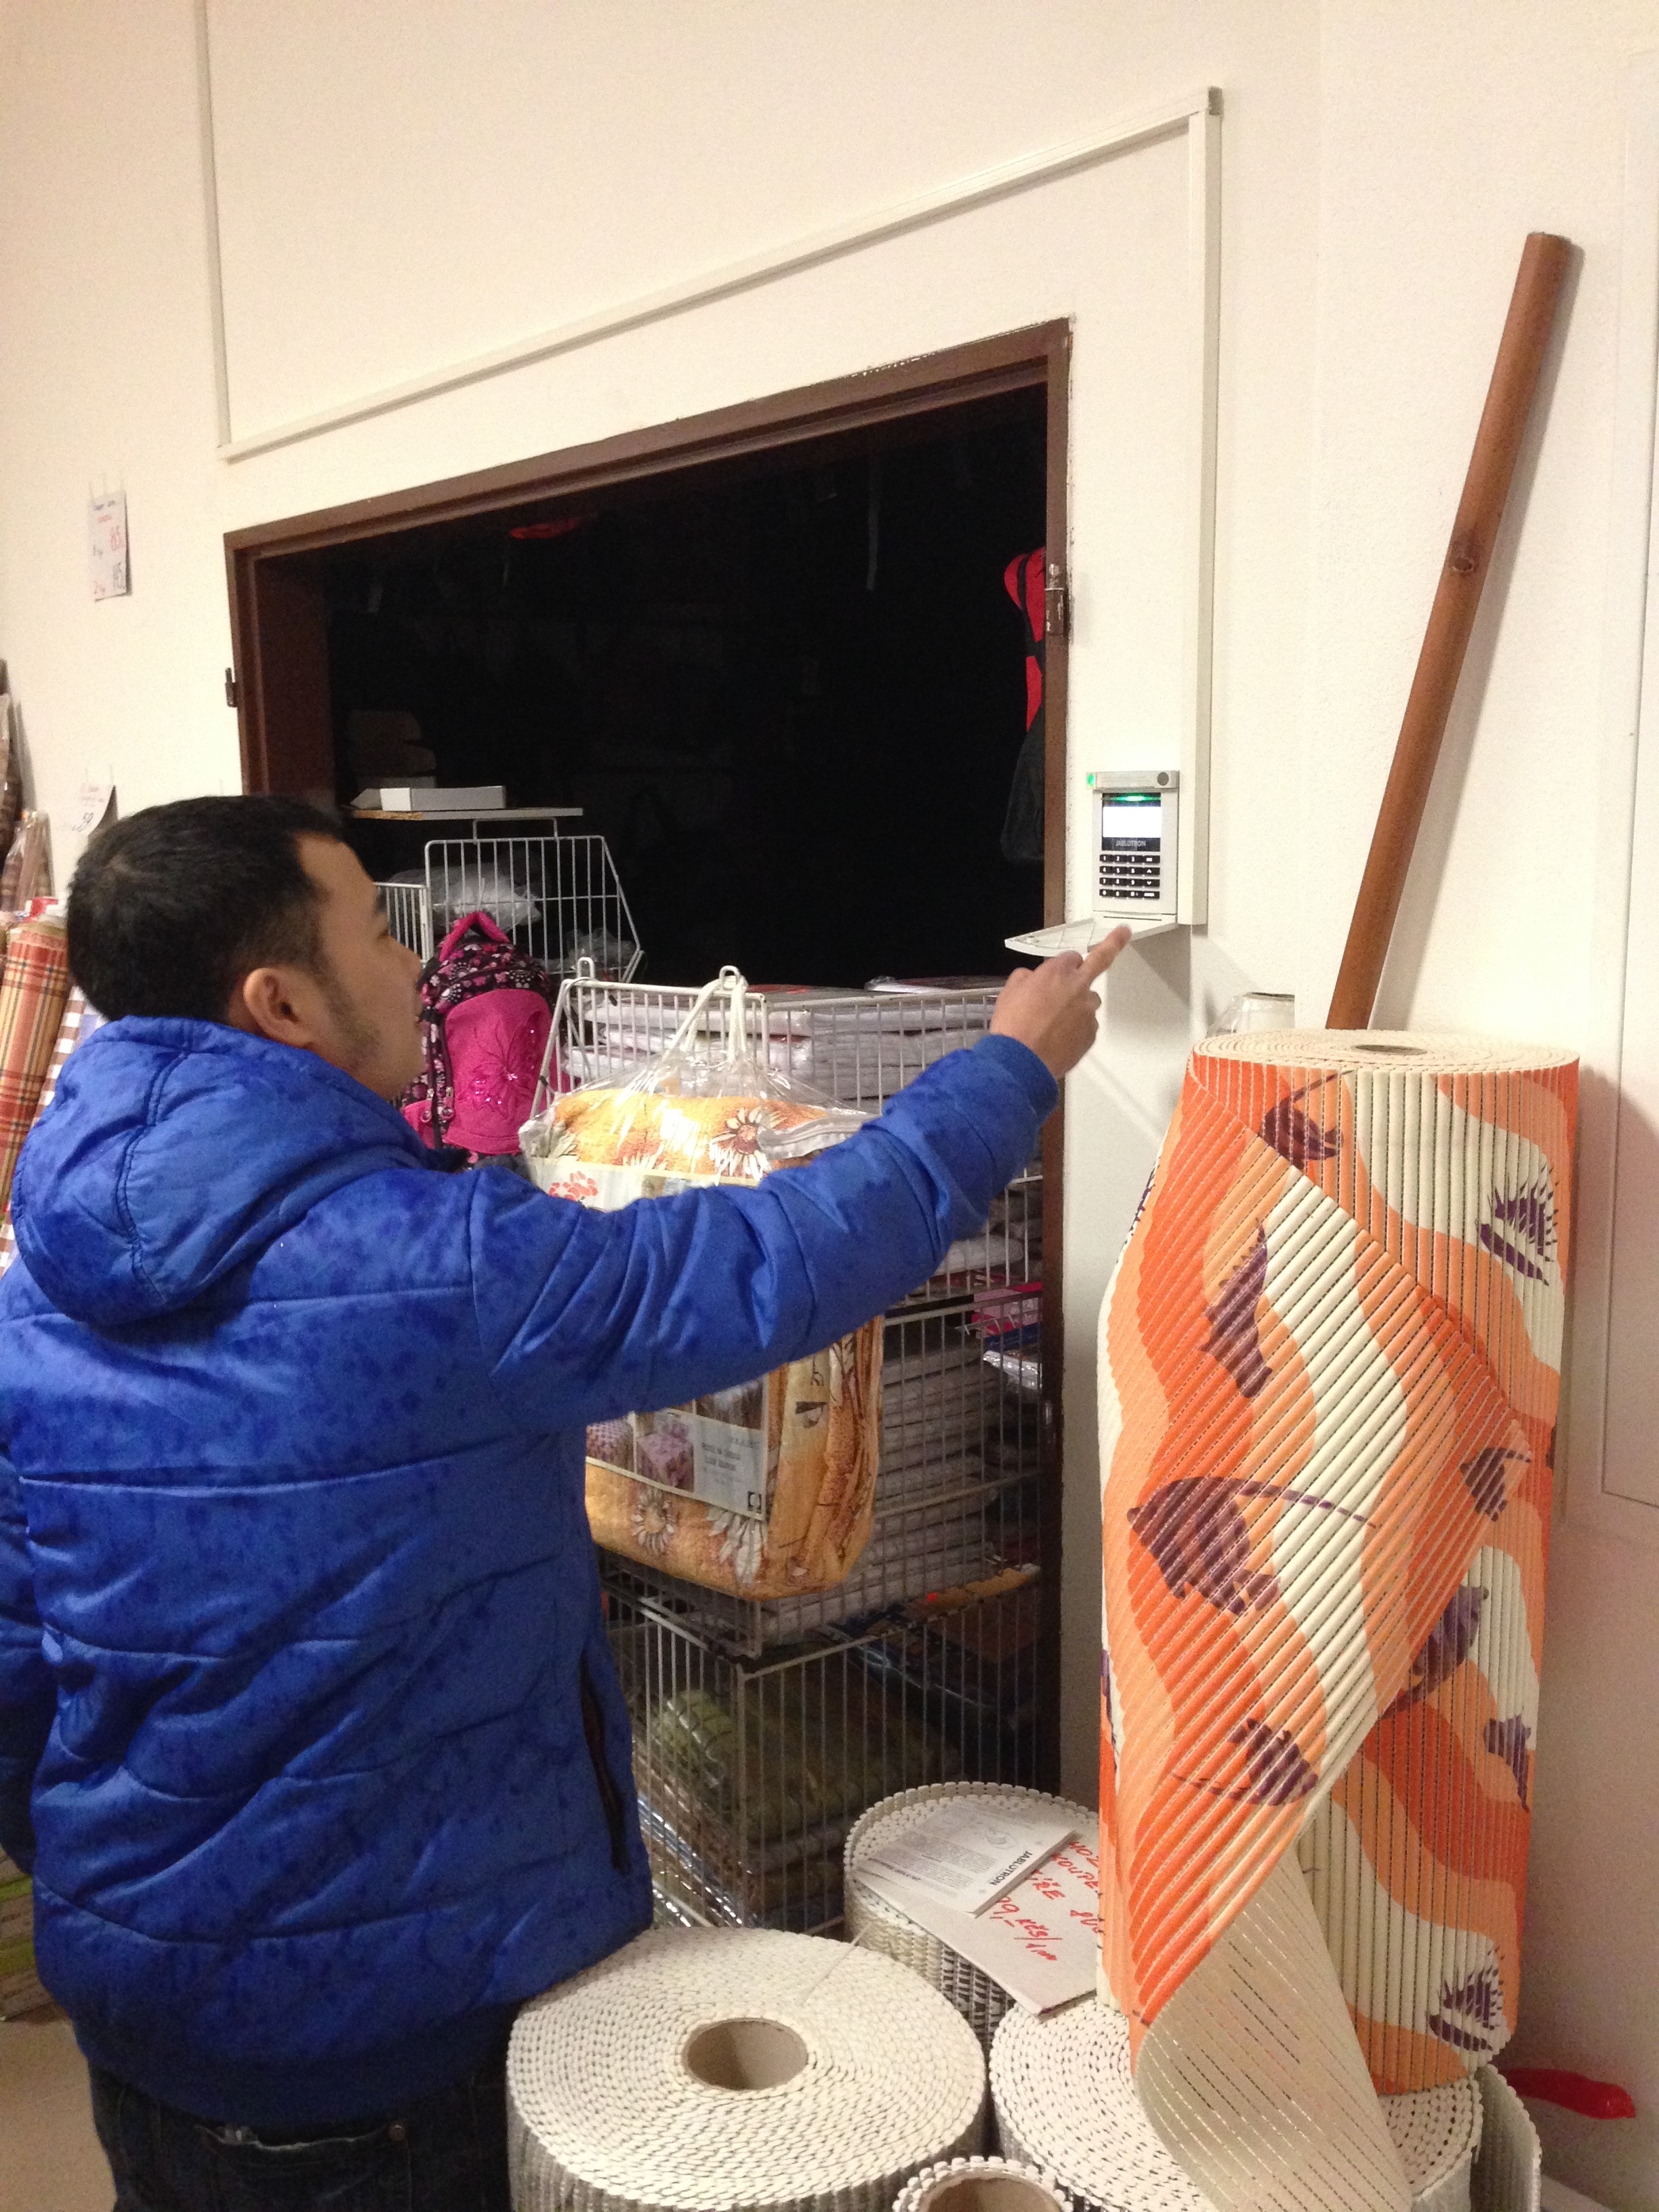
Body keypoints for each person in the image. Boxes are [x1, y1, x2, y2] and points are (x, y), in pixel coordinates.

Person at [0, 796, 1127, 2210]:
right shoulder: (441, 1264)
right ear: (278, 1002)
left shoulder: (33, 1295)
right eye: (379, 932)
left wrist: (132, 1882)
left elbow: (16, 1673)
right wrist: (1008, 1067)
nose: (419, 968)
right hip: (397, 2052)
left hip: (141, 2018)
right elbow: (773, 1259)